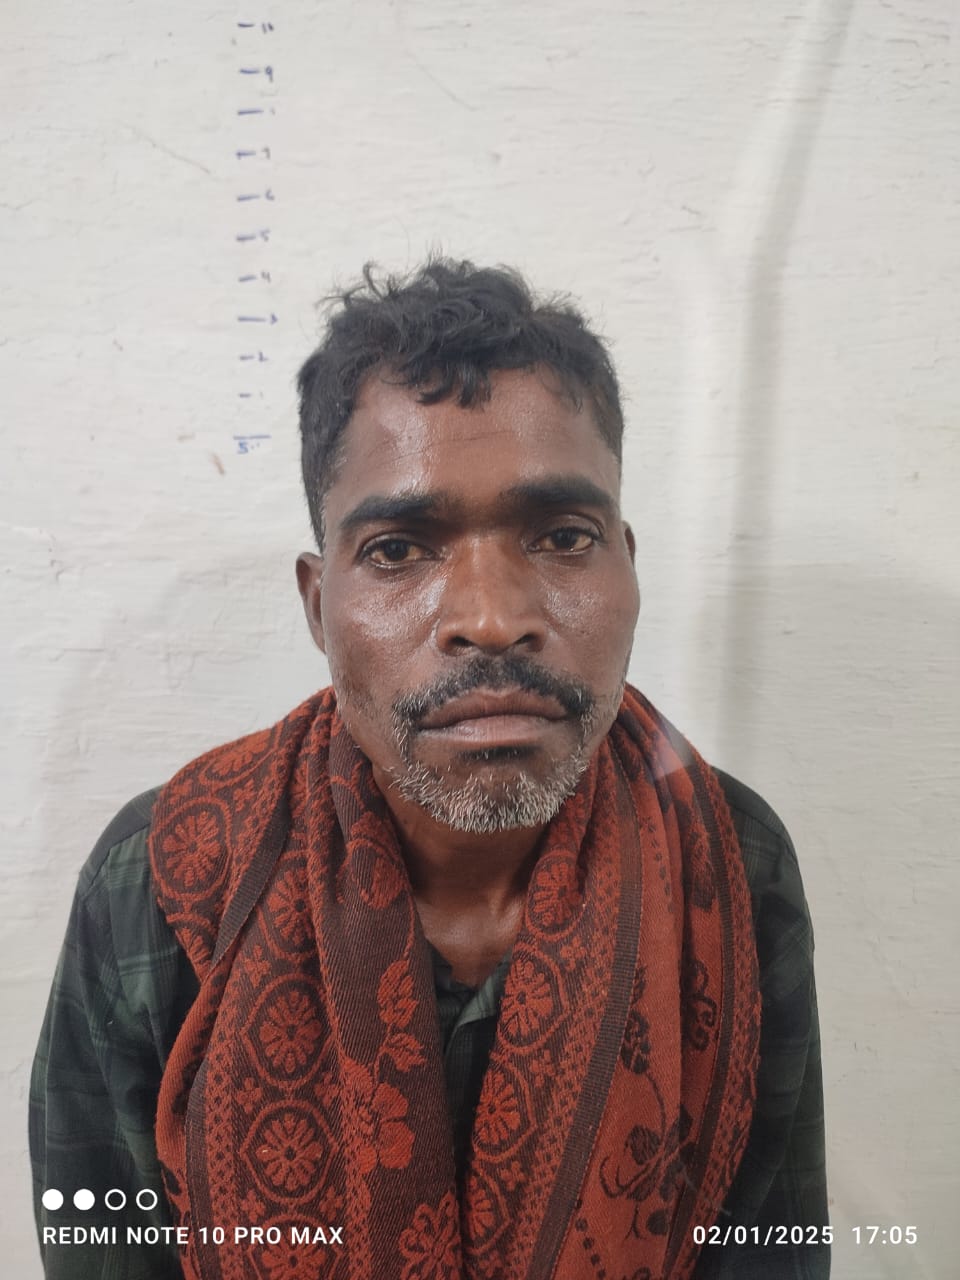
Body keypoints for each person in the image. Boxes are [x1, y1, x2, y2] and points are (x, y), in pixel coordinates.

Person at [30, 259, 828, 1280]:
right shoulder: (163, 876)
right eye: (400, 550)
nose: (491, 618)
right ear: (318, 605)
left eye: (563, 536)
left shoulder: (730, 860)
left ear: (627, 565)